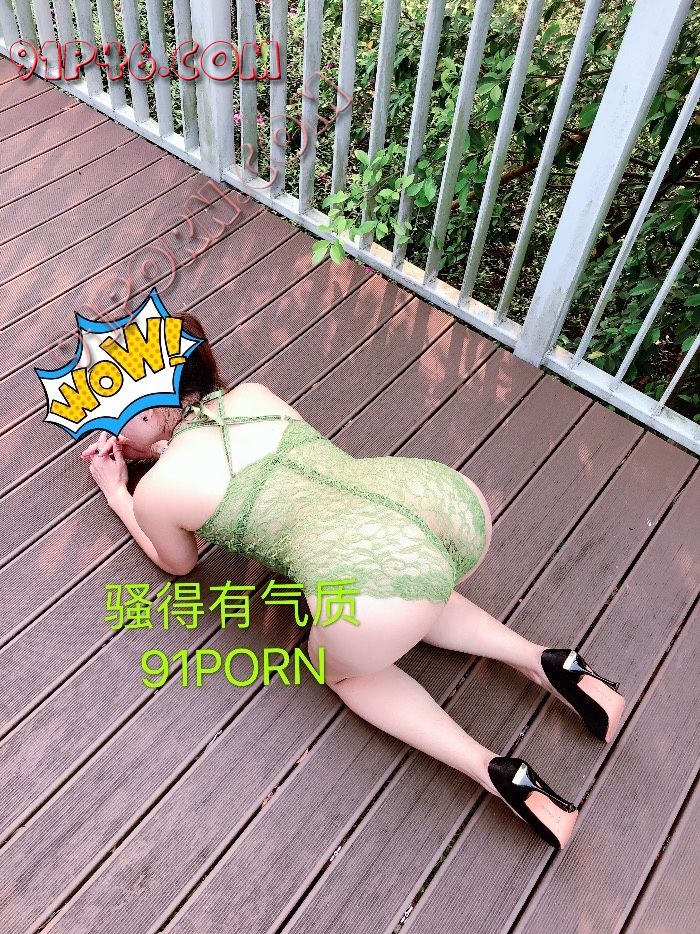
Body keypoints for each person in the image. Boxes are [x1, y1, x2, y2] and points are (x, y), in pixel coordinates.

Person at [82, 312, 625, 850]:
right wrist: (151, 448)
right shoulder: (252, 395)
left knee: (339, 667)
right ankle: (552, 663)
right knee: (407, 576)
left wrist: (118, 492)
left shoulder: (157, 493)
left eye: (114, 409)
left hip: (367, 590)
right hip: (439, 504)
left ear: (153, 406)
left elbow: (178, 563)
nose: (107, 428)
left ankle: (495, 771)